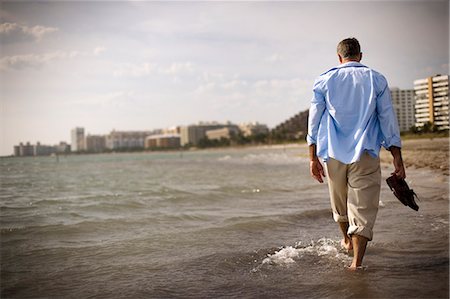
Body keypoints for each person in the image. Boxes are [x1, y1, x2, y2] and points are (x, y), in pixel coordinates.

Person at [306, 37, 405, 270]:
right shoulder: (376, 78)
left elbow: (314, 120)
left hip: (333, 153)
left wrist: (312, 157)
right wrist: (397, 156)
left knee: (339, 204)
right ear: (360, 55)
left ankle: (347, 241)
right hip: (366, 151)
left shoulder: (324, 80)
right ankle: (356, 263)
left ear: (339, 58)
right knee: (361, 208)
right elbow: (387, 118)